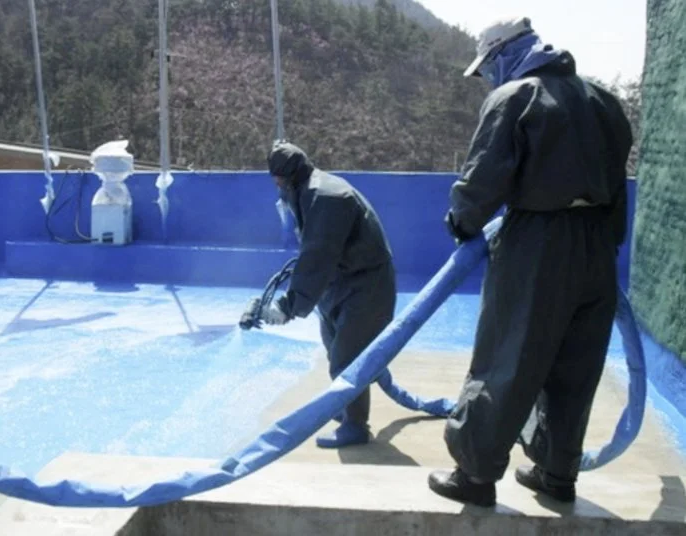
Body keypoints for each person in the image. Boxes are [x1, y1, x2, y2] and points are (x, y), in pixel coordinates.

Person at [427, 16, 633, 507]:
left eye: (487, 68)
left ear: (504, 54)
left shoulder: (516, 97)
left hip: (538, 242)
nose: (488, 79)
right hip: (597, 248)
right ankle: (557, 474)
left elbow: (484, 177)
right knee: (576, 364)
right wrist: (605, 245)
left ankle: (475, 475)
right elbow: (617, 185)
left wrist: (462, 222)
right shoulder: (603, 101)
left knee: (507, 356)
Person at [260, 140, 397, 448]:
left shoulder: (326, 197)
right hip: (341, 282)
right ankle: (345, 405)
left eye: (278, 180)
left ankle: (355, 426)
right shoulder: (305, 191)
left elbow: (318, 255)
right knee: (334, 348)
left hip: (366, 284)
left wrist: (289, 305)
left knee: (348, 357)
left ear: (289, 176)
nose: (276, 186)